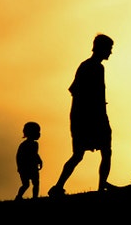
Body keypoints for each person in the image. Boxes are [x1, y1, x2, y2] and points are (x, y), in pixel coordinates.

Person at [48, 33, 116, 197]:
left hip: (87, 116)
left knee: (90, 153)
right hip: (89, 117)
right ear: (102, 48)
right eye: (109, 49)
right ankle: (62, 187)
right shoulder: (92, 67)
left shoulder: (90, 66)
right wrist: (93, 108)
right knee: (93, 153)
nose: (111, 53)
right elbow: (76, 90)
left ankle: (61, 187)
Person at [15, 121, 43, 200]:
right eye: (37, 132)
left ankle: (35, 197)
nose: (39, 134)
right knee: (26, 185)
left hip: (33, 167)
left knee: (36, 183)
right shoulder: (24, 145)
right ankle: (19, 197)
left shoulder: (35, 144)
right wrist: (20, 167)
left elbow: (35, 154)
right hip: (25, 168)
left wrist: (39, 160)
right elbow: (19, 157)